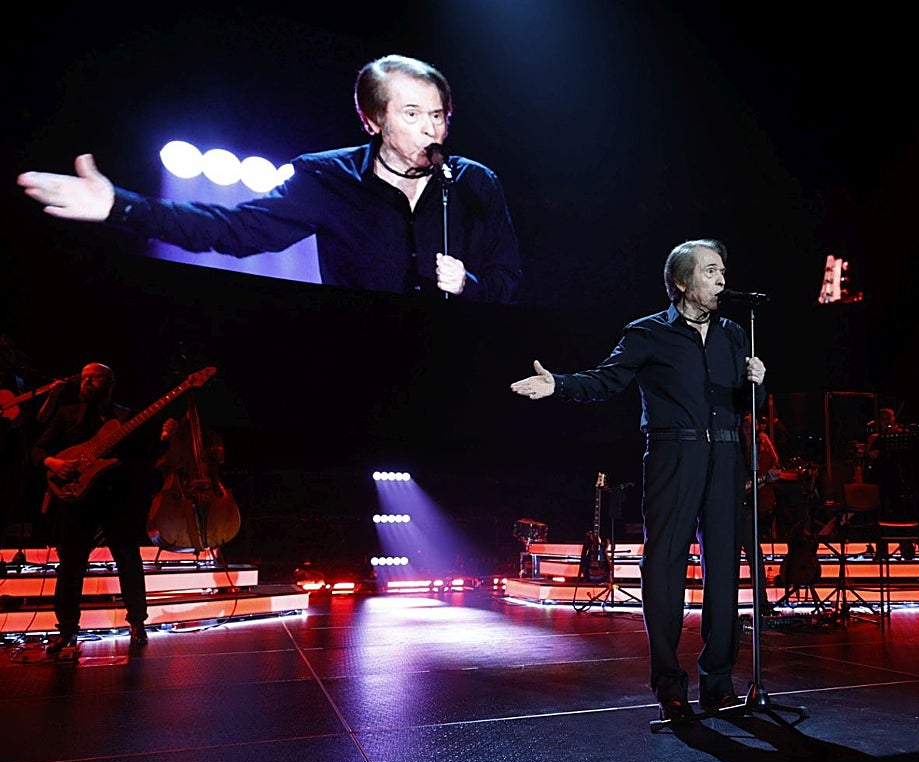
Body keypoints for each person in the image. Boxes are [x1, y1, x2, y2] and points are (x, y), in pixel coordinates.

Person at [16, 54, 522, 303]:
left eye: (440, 115)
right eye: (413, 114)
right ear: (373, 120)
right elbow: (232, 230)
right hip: (366, 370)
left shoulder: (476, 183)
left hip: (459, 376)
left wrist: (469, 286)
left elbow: (507, 281)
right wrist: (118, 206)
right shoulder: (326, 178)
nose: (431, 129)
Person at [510, 238, 766, 720]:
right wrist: (559, 384)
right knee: (665, 564)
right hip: (674, 452)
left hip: (727, 456)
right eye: (710, 272)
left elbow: (750, 407)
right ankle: (669, 683)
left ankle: (718, 681)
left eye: (723, 272)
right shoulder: (648, 333)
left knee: (723, 570)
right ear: (681, 282)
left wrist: (759, 382)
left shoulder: (735, 333)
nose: (721, 280)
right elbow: (606, 380)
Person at [30, 363, 162, 654]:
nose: (87, 381)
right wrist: (54, 463)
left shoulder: (126, 417)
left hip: (117, 498)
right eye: (84, 377)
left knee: (128, 561)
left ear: (111, 383)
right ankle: (66, 630)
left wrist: (164, 437)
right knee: (71, 566)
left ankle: (137, 623)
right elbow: (38, 449)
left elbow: (145, 455)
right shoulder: (66, 414)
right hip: (76, 499)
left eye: (95, 377)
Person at [741, 411, 780, 615]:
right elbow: (741, 486)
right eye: (746, 425)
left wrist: (767, 477)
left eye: (752, 425)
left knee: (756, 556)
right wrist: (763, 480)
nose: (750, 429)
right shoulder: (735, 450)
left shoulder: (761, 444)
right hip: (733, 509)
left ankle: (762, 602)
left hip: (750, 508)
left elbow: (774, 466)